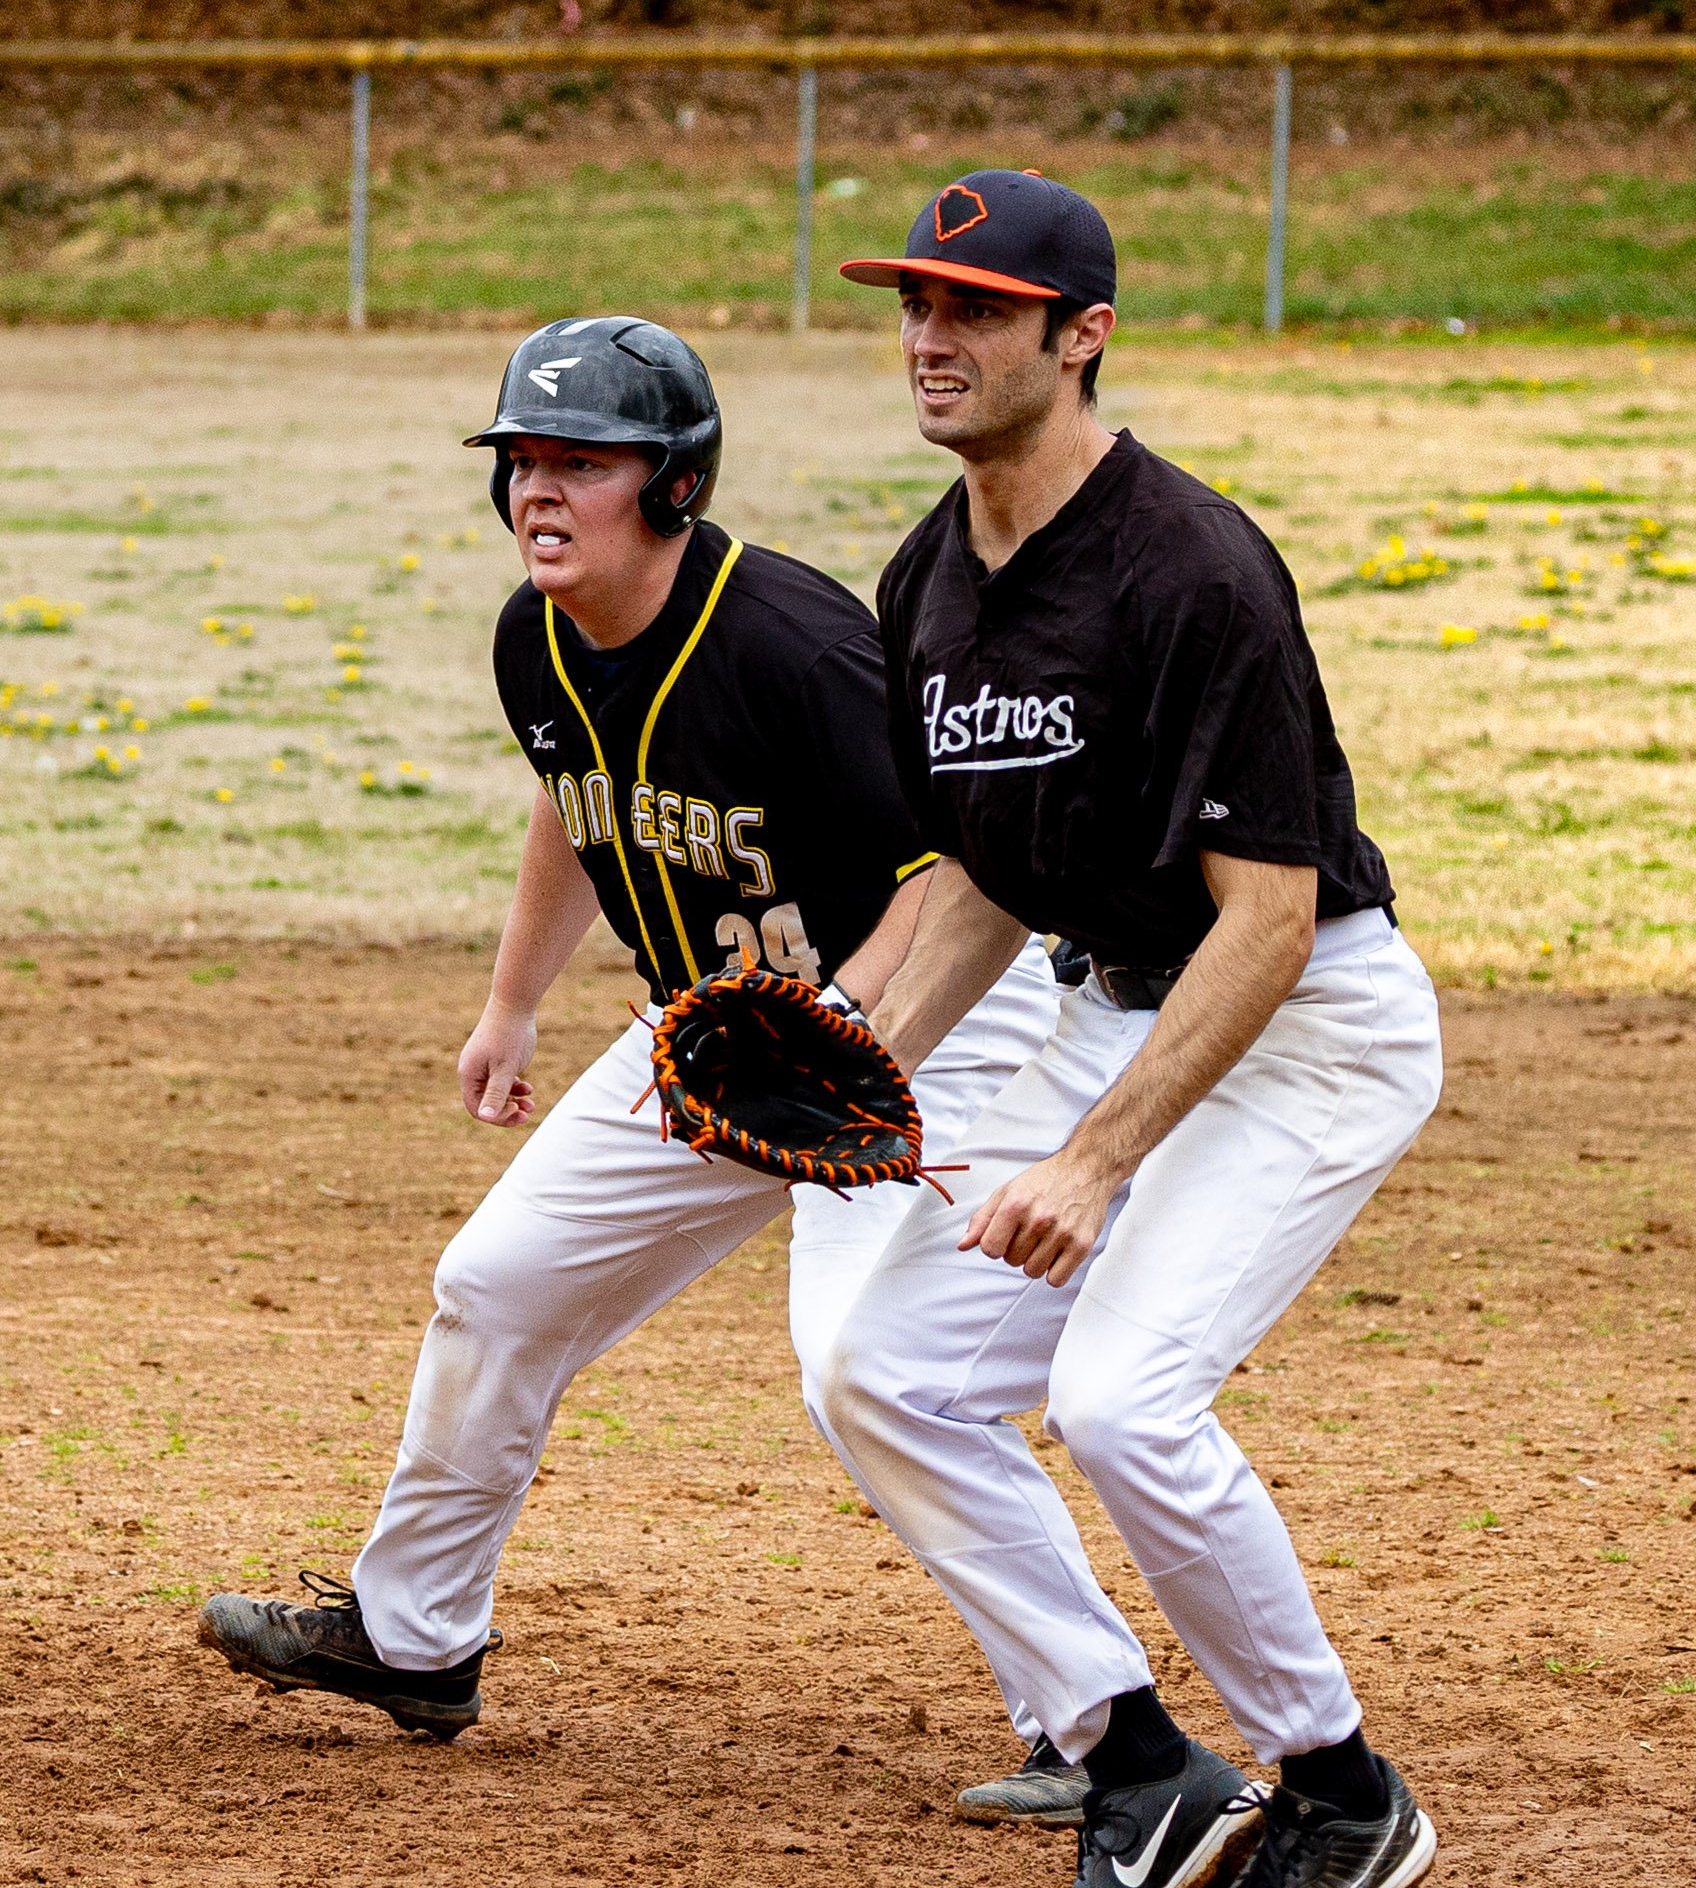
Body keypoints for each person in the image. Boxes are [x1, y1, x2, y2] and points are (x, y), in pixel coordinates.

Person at [195, 317, 1058, 1744]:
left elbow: (949, 869)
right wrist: (513, 998)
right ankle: (415, 1636)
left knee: (871, 1368)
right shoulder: (537, 637)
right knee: (495, 1283)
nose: (539, 491)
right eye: (522, 461)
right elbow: (570, 795)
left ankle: (1087, 1726)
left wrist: (859, 1043)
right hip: (716, 1033)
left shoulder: (792, 643)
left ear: (672, 486)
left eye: (581, 461)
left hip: (936, 1019)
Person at [821, 175, 1445, 1888]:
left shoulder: (1196, 569)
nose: (933, 337)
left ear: (1079, 332)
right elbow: (995, 873)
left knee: (1116, 1392)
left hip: (1306, 1019)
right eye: (916, 303)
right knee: (890, 1368)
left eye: (978, 308)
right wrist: (866, 1063)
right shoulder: (929, 576)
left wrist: (1095, 1159)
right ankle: (1137, 1763)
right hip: (1120, 1001)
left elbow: (1273, 911)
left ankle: (1340, 1792)